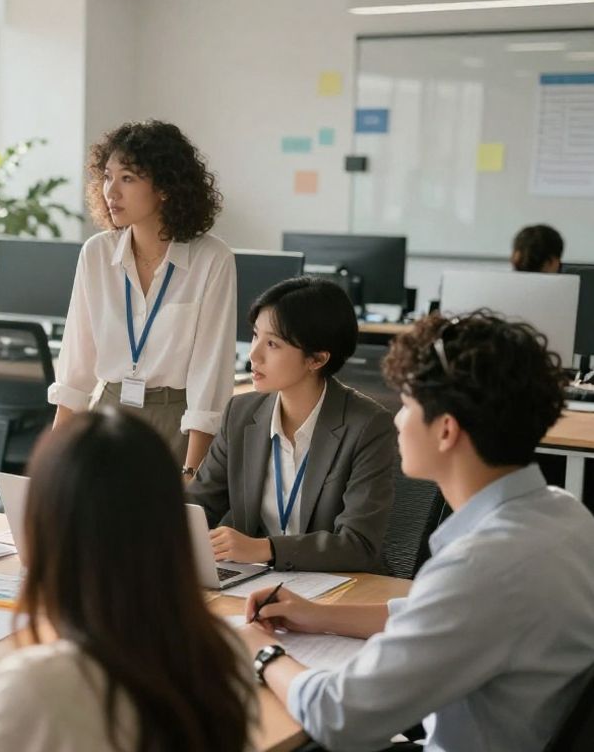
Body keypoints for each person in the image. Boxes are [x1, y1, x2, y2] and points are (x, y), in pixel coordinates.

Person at [240, 312, 594, 751]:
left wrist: (260, 650)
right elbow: (445, 615)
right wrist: (317, 614)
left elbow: (338, 715)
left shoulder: (481, 566)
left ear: (446, 430)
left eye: (407, 405)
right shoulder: (567, 516)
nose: (397, 420)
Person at [0, 408, 255, 752]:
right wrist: (12, 716)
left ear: (50, 528)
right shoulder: (224, 651)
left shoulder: (41, 681)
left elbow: (69, 697)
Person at [51, 120, 236, 473]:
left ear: (165, 187)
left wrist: (191, 473)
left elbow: (209, 376)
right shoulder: (96, 253)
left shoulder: (211, 259)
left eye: (128, 178)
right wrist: (52, 465)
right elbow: (76, 369)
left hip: (174, 420)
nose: (111, 192)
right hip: (107, 415)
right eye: (107, 177)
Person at [187, 277, 395, 572]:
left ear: (317, 359)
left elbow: (358, 545)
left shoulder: (368, 426)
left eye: (272, 343)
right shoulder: (240, 413)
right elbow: (198, 507)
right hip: (258, 581)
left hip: (340, 588)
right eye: (255, 335)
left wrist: (264, 549)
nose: (253, 355)